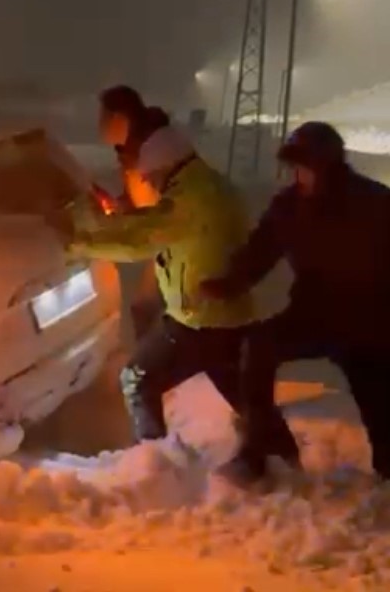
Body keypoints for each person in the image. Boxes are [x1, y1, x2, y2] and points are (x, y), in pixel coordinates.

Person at [199, 121, 390, 485]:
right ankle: (258, 452)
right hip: (314, 317)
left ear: (328, 166)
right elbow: (260, 251)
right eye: (295, 169)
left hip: (373, 328)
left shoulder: (379, 206)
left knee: (383, 418)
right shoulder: (290, 207)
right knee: (259, 345)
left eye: (305, 167)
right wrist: (227, 285)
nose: (298, 177)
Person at [66, 110, 298, 458]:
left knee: (138, 379)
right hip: (231, 316)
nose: (149, 183)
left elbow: (139, 241)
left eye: (151, 176)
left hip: (199, 319)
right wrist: (116, 216)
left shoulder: (188, 200)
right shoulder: (204, 183)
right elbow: (157, 221)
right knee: (246, 398)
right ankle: (286, 459)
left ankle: (157, 462)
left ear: (161, 162)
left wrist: (77, 242)